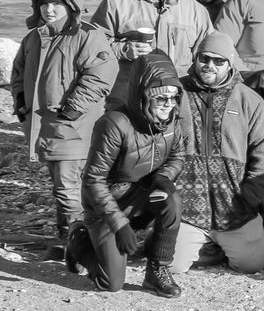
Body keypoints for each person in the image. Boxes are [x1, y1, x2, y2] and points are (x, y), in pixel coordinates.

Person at [13, 0, 115, 251]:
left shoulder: (87, 36)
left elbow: (100, 76)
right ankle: (79, 235)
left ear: (70, 4)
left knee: (68, 187)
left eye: (56, 3)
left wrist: (71, 110)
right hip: (43, 125)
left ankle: (75, 241)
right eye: (44, 4)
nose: (49, 10)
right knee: (66, 185)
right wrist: (20, 103)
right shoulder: (34, 38)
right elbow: (18, 74)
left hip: (73, 126)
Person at [73, 52, 187, 296]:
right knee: (111, 284)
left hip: (141, 195)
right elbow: (93, 180)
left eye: (173, 97)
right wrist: (119, 223)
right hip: (106, 205)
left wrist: (164, 177)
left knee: (172, 200)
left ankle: (157, 269)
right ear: (143, 95)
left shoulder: (172, 121)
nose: (168, 104)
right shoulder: (113, 124)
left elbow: (178, 156)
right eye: (160, 98)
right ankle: (79, 242)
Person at [172, 30, 264, 275]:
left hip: (234, 208)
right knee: (173, 266)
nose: (210, 65)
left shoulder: (249, 100)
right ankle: (203, 242)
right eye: (204, 58)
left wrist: (250, 196)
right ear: (195, 58)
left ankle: (220, 244)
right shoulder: (176, 94)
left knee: (252, 264)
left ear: (230, 64)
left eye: (219, 61)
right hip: (187, 209)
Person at [95, 0, 211, 78]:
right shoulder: (115, 4)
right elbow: (93, 48)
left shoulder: (197, 11)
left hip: (175, 92)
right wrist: (124, 49)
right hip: (129, 92)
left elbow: (209, 55)